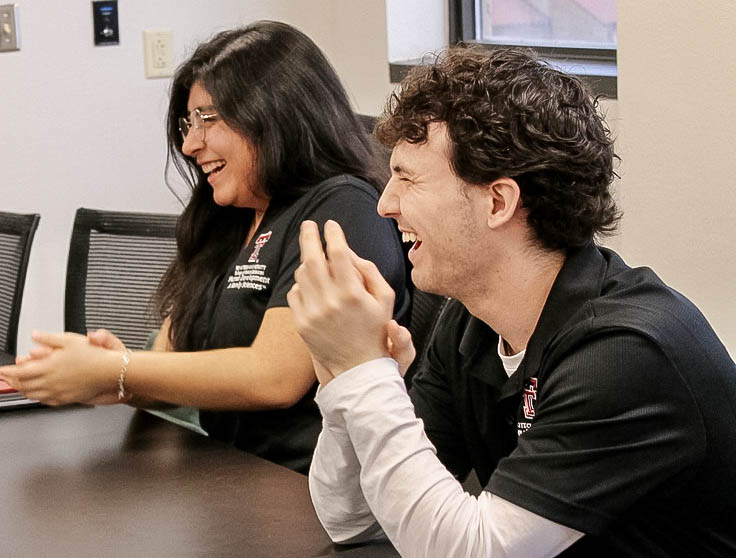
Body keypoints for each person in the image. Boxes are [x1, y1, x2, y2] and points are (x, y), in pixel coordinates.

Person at [287, 47, 736, 555]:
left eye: (408, 178)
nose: (385, 204)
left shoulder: (624, 353)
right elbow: (355, 520)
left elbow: (477, 550)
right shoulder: (469, 323)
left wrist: (366, 374)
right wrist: (348, 380)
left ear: (498, 202)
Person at [0, 21, 409, 474]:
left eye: (208, 120)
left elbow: (275, 377)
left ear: (276, 112)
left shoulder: (342, 206)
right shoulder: (229, 212)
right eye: (188, 124)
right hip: (222, 474)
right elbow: (174, 364)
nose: (191, 144)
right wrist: (117, 376)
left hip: (305, 490)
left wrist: (119, 369)